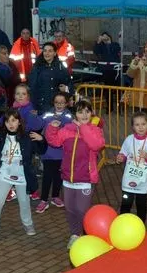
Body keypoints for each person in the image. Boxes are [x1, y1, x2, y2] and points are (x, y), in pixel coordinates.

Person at [44, 99, 105, 250]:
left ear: (92, 113)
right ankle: (74, 235)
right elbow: (54, 141)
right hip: (68, 179)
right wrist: (52, 128)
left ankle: (85, 235)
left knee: (82, 210)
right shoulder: (67, 130)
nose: (84, 115)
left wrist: (83, 128)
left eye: (87, 111)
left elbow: (96, 145)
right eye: (80, 112)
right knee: (70, 210)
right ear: (75, 114)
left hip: (85, 180)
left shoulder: (95, 130)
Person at [0, 109, 46, 242]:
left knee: (24, 201)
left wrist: (41, 140)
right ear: (4, 123)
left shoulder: (27, 137)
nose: (11, 124)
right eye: (7, 121)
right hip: (5, 173)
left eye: (14, 120)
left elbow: (41, 150)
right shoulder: (0, 137)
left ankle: (28, 224)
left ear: (19, 122)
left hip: (22, 174)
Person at [114, 111, 147, 223]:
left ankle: (141, 226)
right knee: (126, 203)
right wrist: (120, 158)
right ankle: (122, 224)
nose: (140, 127)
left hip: (143, 181)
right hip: (129, 179)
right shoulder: (129, 139)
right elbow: (123, 153)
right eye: (137, 124)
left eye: (143, 124)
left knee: (141, 204)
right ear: (132, 127)